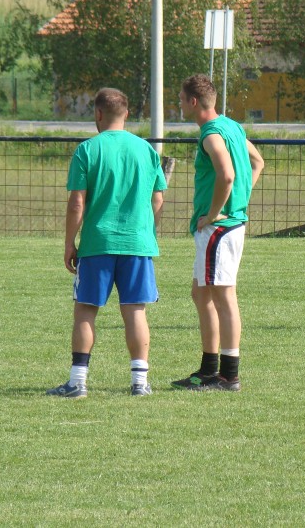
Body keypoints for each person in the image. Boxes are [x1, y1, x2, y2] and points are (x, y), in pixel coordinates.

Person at [46, 88, 167, 398]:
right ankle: (139, 383)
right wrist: (143, 228)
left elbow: (77, 203)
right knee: (135, 311)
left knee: (86, 310)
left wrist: (69, 242)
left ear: (98, 114)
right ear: (126, 114)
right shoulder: (147, 150)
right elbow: (157, 198)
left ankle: (77, 382)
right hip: (137, 244)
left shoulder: (87, 150)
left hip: (97, 243)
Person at [171, 74, 264, 392]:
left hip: (218, 229)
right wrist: (240, 199)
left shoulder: (211, 134)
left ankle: (229, 375)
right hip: (226, 226)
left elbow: (226, 175)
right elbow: (258, 162)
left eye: (181, 99)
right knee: (200, 293)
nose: (179, 104)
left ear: (193, 101)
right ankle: (209, 368)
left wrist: (213, 214)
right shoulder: (232, 127)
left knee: (224, 297)